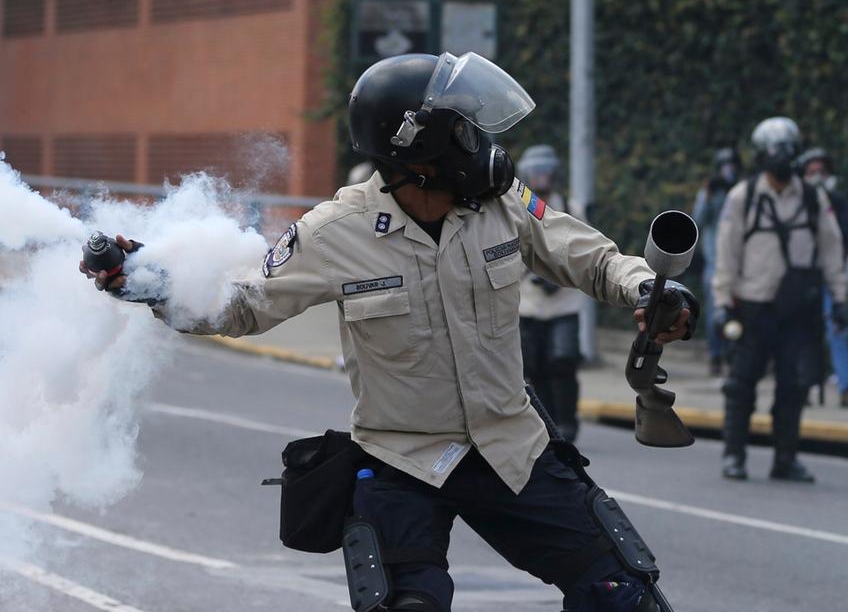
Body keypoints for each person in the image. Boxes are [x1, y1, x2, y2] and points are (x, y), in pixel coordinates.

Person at [83, 52, 696, 612]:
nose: (480, 143)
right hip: (403, 463)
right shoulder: (333, 232)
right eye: (464, 129)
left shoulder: (502, 202)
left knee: (626, 598)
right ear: (418, 151)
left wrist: (646, 288)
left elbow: (589, 256)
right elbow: (244, 307)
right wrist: (152, 285)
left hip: (512, 449)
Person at [713, 118, 848, 483]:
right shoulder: (744, 196)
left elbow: (832, 249)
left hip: (798, 309)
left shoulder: (811, 196)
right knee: (741, 384)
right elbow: (726, 252)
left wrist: (839, 297)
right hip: (754, 306)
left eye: (788, 150)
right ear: (760, 156)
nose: (782, 158)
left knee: (795, 385)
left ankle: (785, 459)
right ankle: (734, 456)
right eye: (775, 151)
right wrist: (723, 300)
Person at [516, 144, 587, 442]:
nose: (541, 180)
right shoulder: (515, 209)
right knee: (534, 366)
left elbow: (585, 251)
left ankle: (568, 420)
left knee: (562, 360)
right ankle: (548, 422)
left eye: (546, 173)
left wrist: (558, 276)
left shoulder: (570, 209)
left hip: (564, 302)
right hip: (528, 303)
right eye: (536, 173)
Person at [797, 147, 848, 407]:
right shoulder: (796, 203)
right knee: (801, 332)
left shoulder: (838, 203)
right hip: (803, 278)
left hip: (832, 275)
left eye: (822, 171)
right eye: (812, 171)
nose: (817, 176)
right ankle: (803, 385)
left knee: (838, 329)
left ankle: (845, 387)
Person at [692, 148, 740, 376]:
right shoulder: (712, 191)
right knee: (714, 313)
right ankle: (716, 354)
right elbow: (697, 221)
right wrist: (708, 194)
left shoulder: (741, 191)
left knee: (738, 311)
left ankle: (734, 352)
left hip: (739, 263)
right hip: (715, 262)